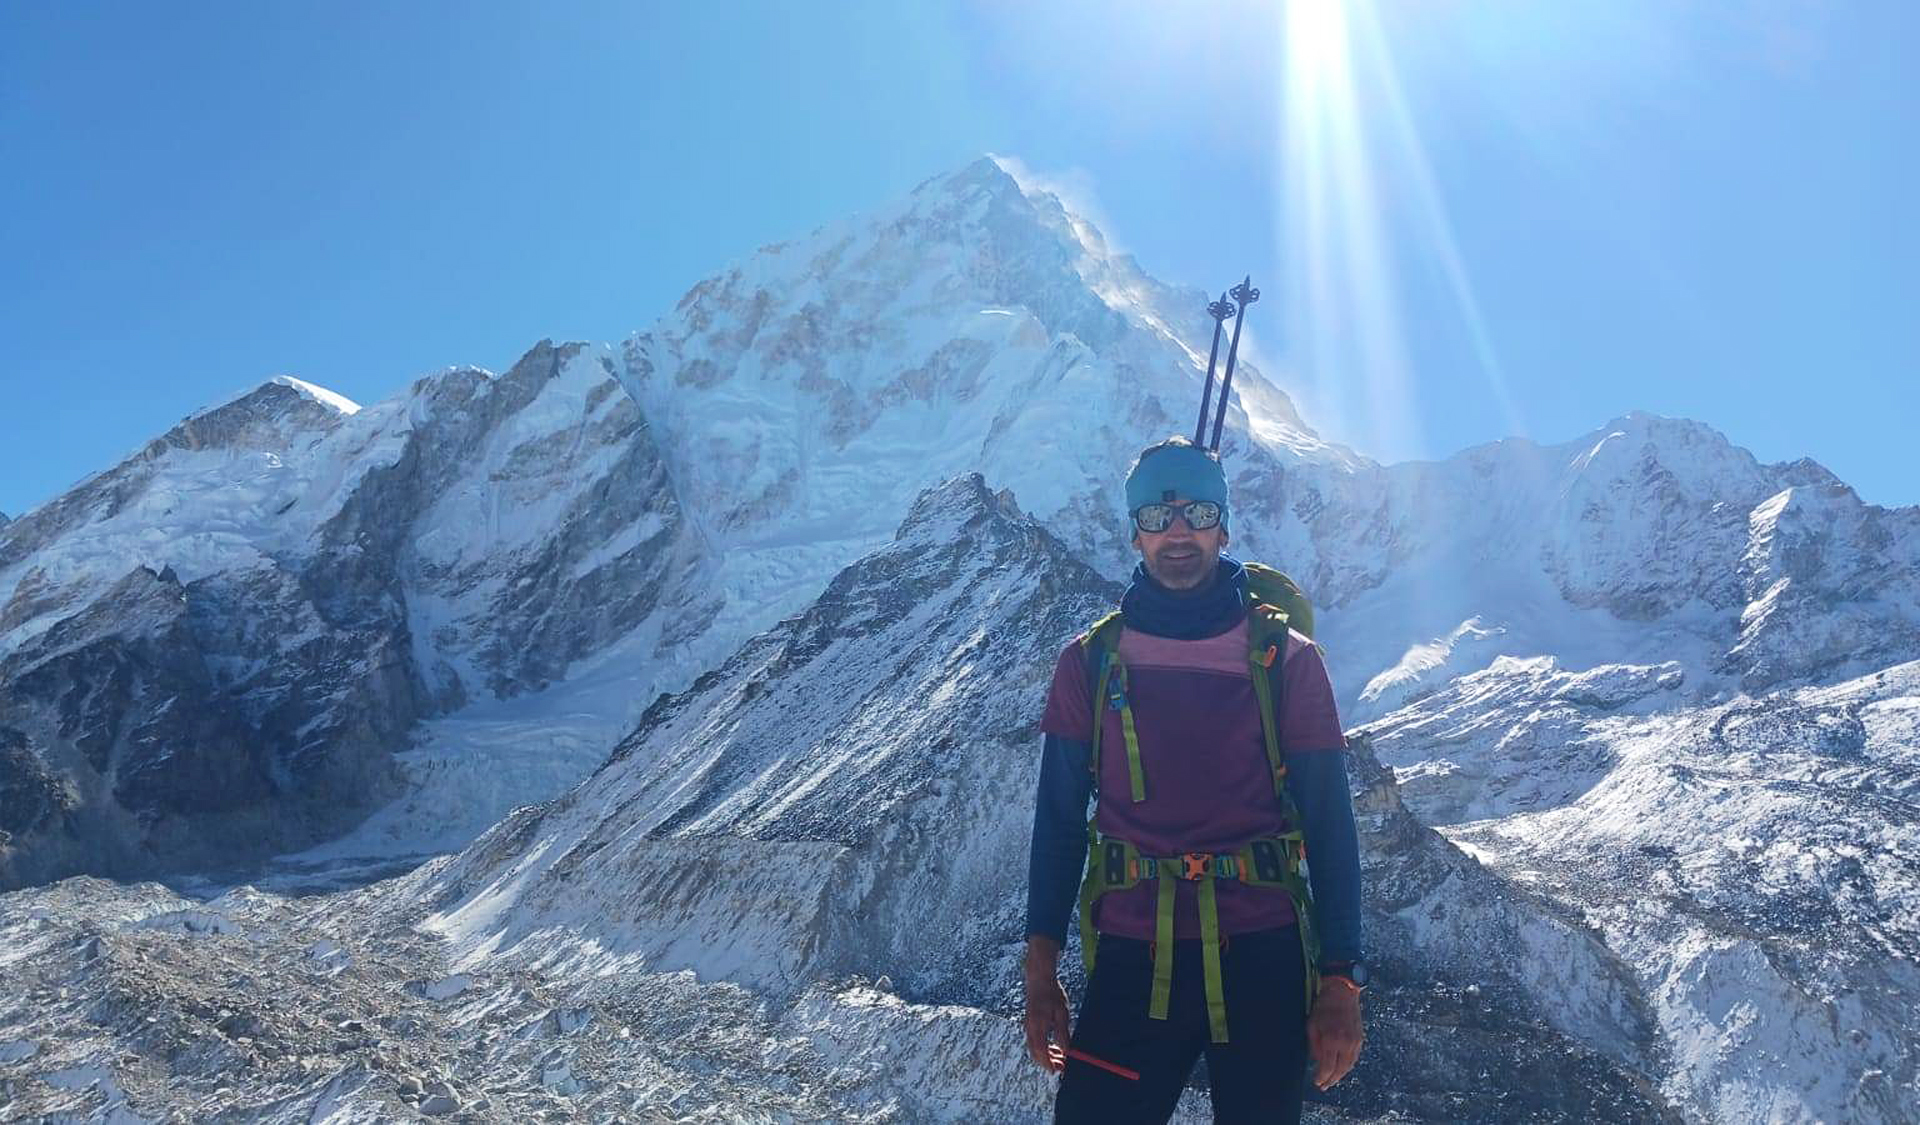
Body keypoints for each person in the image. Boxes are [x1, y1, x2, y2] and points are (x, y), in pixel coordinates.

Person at [1022, 435, 1366, 1124]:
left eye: (1198, 513)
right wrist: (1039, 971)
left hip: (1262, 958)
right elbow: (1057, 823)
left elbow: (1332, 825)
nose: (1177, 533)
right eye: (1157, 516)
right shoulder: (1088, 663)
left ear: (1224, 526)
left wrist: (1342, 982)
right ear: (1135, 532)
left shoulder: (1287, 660)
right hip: (1134, 956)